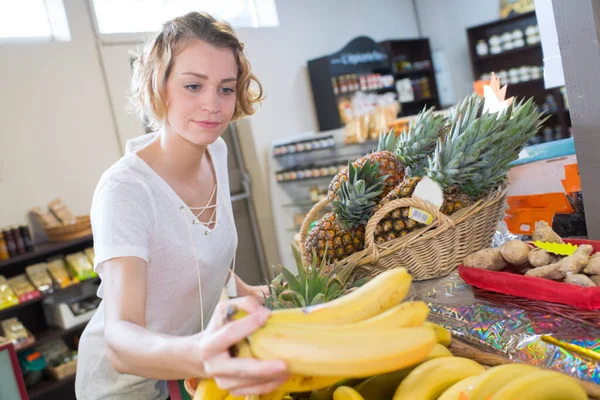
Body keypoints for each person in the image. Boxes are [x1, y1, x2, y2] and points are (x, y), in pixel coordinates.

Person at [75, 12, 289, 400]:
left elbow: (200, 257)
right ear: (159, 88)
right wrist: (202, 354)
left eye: (226, 88)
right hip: (120, 388)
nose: (213, 105)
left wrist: (256, 294)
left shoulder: (217, 152)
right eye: (193, 86)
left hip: (187, 370)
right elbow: (120, 340)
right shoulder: (125, 191)